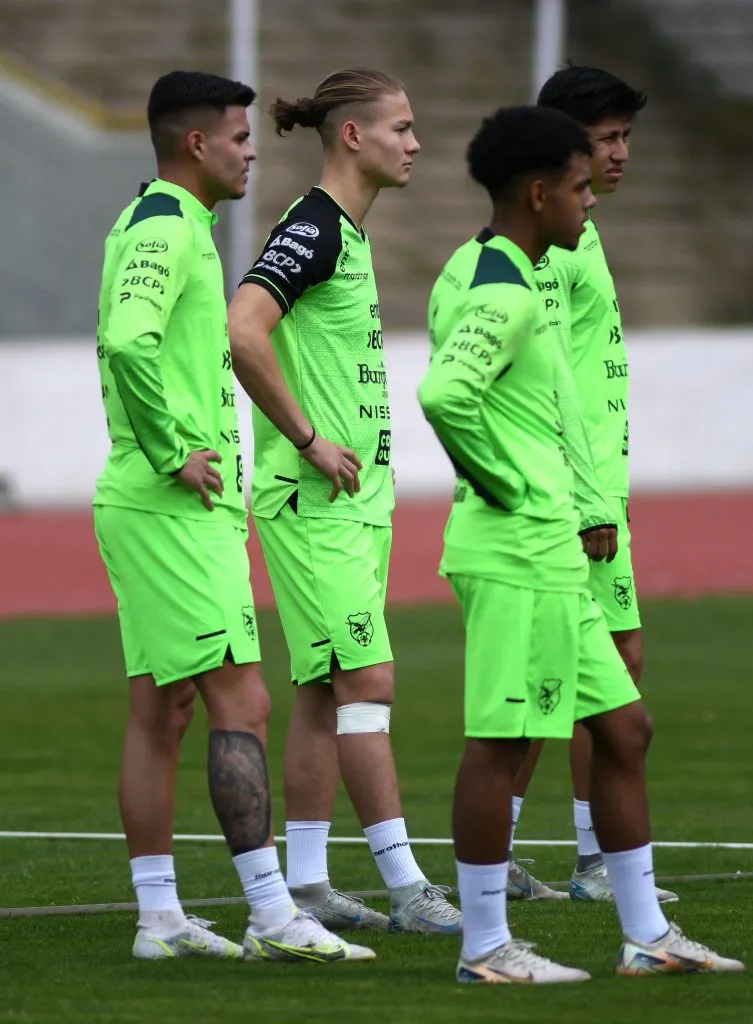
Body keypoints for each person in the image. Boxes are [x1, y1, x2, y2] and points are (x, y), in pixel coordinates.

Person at [418, 103, 745, 982]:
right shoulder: (500, 287)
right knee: (502, 745)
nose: (587, 201)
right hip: (516, 551)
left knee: (624, 728)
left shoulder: (508, 272)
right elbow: (445, 393)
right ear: (535, 192)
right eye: (573, 187)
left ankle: (646, 936)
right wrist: (507, 483)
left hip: (552, 553)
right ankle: (485, 948)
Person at [94, 70, 374, 964]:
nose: (253, 151)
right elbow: (126, 338)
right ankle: (270, 911)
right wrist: (174, 448)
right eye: (240, 137)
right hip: (172, 503)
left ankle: (159, 918)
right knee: (242, 702)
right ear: (195, 145)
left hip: (156, 503)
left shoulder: (171, 224)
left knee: (161, 709)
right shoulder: (166, 228)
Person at [228, 67, 461, 935]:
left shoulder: (346, 233)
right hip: (312, 499)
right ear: (353, 136)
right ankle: (407, 889)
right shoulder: (315, 227)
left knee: (327, 690)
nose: (415, 143)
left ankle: (311, 880)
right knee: (367, 677)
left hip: (352, 504)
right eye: (401, 127)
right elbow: (243, 329)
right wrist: (305, 437)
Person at [505, 66, 678, 905]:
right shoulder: (546, 247)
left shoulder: (583, 232)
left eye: (624, 137)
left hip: (600, 492)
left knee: (604, 667)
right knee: (557, 676)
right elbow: (544, 382)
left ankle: (590, 859)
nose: (620, 153)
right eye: (605, 138)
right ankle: (533, 854)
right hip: (576, 501)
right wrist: (585, 500)